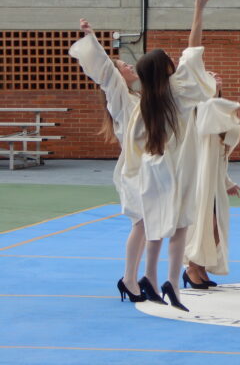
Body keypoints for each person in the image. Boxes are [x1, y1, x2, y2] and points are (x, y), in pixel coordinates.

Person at [121, 0, 218, 311]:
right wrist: (198, 8)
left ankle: (149, 274)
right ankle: (173, 283)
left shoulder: (145, 103)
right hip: (180, 165)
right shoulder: (180, 89)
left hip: (152, 169)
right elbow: (194, 46)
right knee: (180, 225)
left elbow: (133, 144)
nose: (174, 59)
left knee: (155, 225)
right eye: (168, 59)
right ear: (165, 68)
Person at [70, 19, 146, 302]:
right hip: (134, 167)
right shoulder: (117, 95)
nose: (129, 66)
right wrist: (92, 38)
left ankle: (135, 276)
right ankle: (129, 278)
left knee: (147, 223)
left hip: (147, 164)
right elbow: (104, 69)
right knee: (141, 222)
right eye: (123, 65)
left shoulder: (135, 96)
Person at [183, 76, 240, 289]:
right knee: (206, 223)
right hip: (199, 178)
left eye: (219, 77)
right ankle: (192, 266)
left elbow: (221, 156)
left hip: (214, 179)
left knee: (217, 226)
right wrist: (235, 107)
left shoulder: (218, 112)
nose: (218, 79)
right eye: (211, 77)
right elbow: (209, 106)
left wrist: (227, 181)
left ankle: (200, 266)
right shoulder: (198, 109)